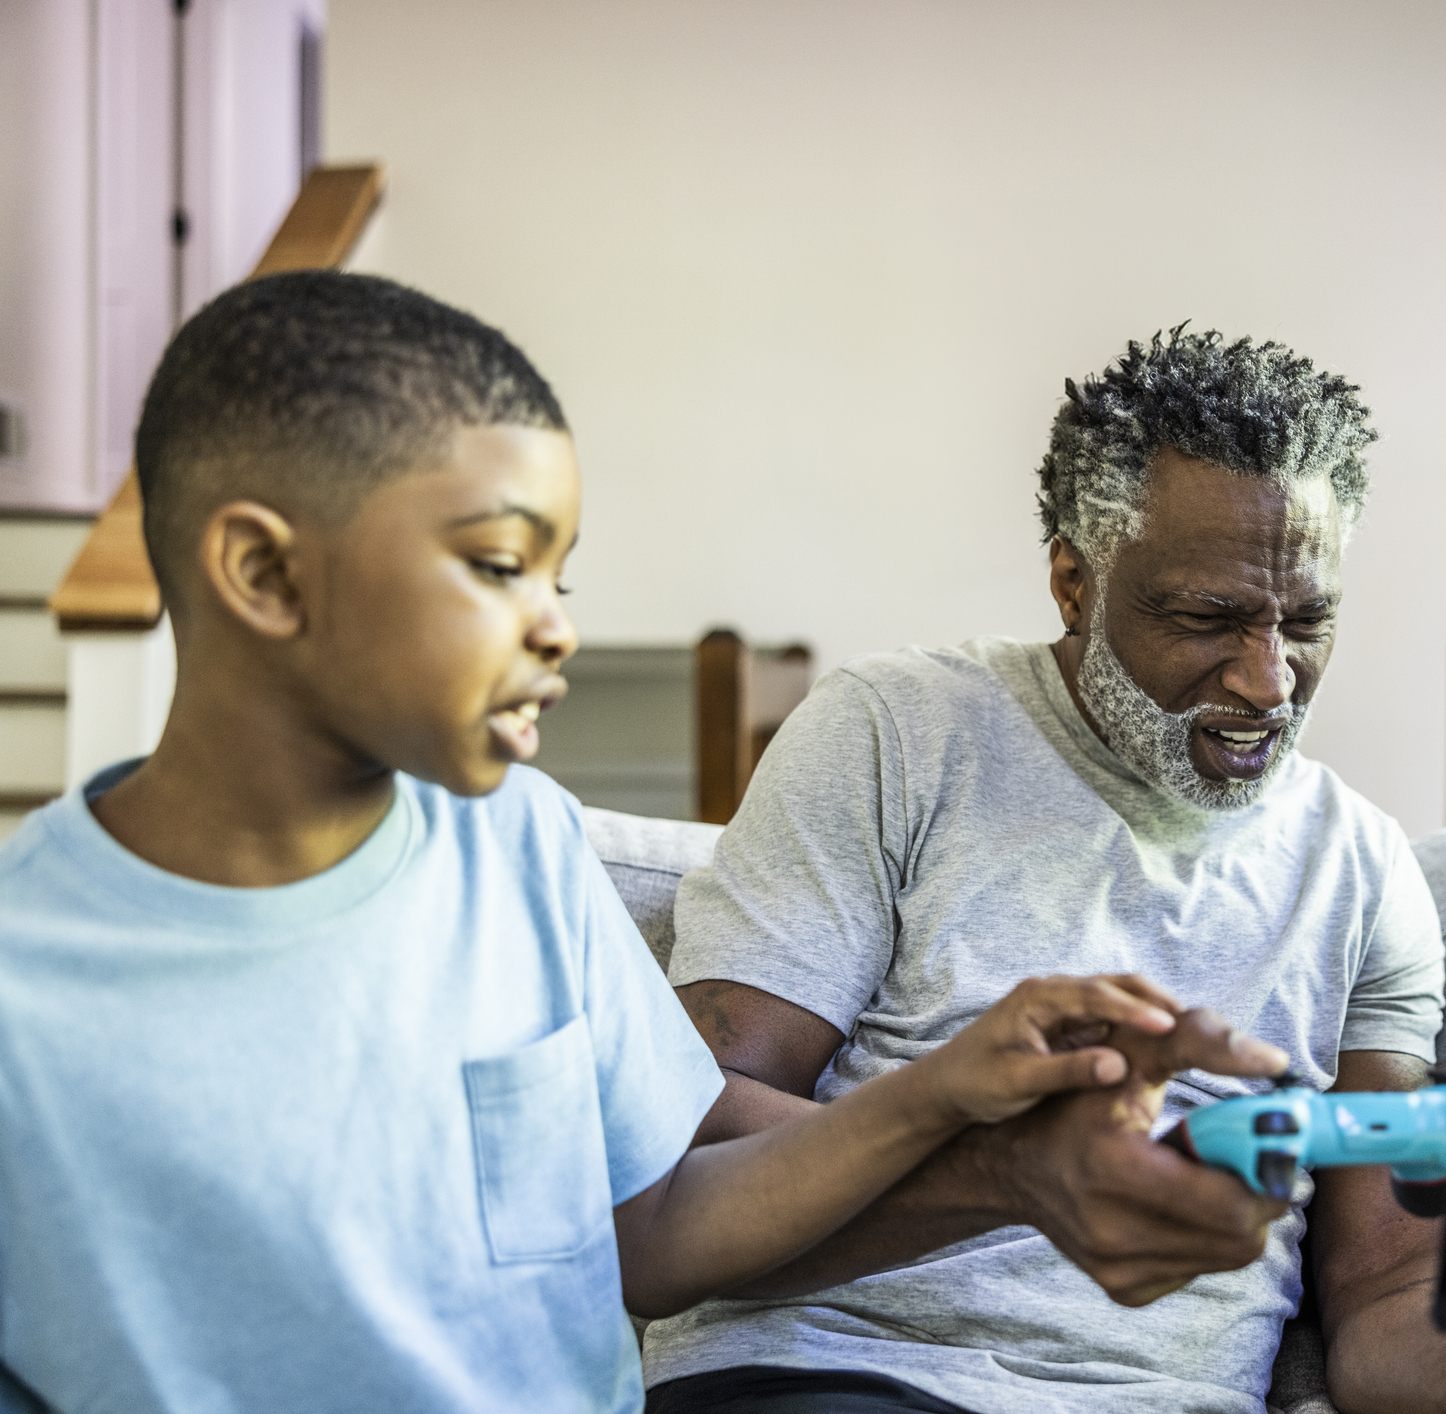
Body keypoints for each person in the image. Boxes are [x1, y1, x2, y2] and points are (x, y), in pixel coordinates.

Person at [0, 272, 1288, 1414]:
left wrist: (949, 1096)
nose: (554, 625)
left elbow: (655, 1219)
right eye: (500, 565)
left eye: (561, 576)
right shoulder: (29, 989)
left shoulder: (517, 843)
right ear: (267, 577)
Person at [641, 330, 1446, 1414]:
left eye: (1306, 621)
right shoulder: (898, 730)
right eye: (1207, 617)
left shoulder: (1361, 869)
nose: (1267, 681)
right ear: (1072, 583)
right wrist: (996, 1171)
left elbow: (1381, 1291)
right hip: (833, 1370)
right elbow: (684, 1138)